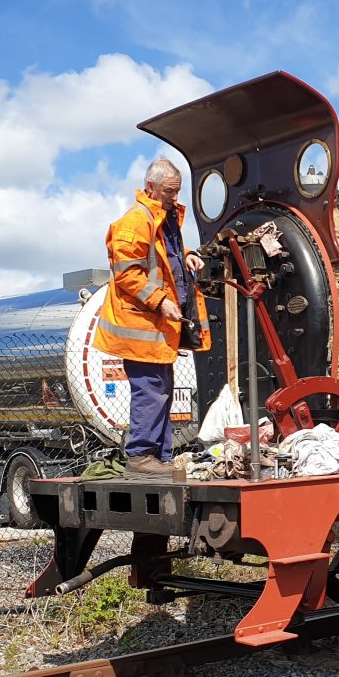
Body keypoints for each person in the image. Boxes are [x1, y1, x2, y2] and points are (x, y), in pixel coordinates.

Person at [94, 158, 211, 475]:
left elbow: (163, 257)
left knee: (161, 389)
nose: (175, 197)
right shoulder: (136, 221)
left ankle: (158, 457)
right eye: (170, 191)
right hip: (141, 327)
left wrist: (187, 257)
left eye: (177, 191)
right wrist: (160, 301)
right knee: (150, 390)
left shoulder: (162, 217)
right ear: (151, 187)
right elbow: (127, 273)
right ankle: (141, 457)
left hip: (155, 329)